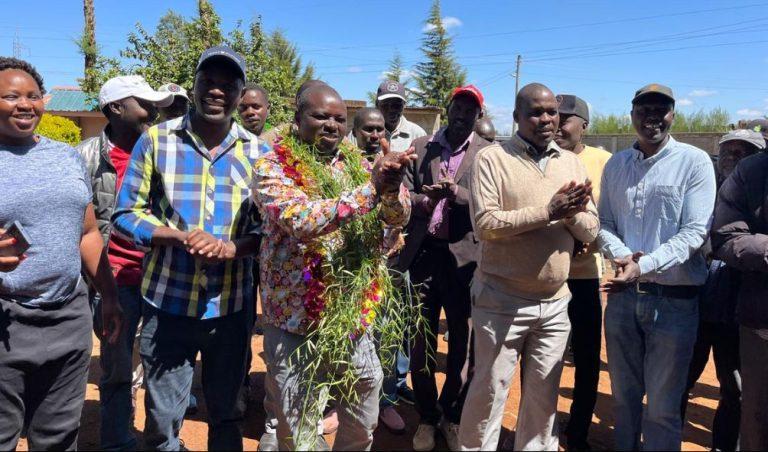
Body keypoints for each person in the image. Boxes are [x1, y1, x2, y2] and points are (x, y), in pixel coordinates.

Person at [111, 46, 264, 451]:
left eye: (227, 85)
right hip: (167, 304)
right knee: (162, 421)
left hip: (230, 308)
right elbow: (125, 213)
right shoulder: (157, 141)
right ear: (193, 85)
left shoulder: (260, 154)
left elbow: (270, 232)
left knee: (227, 414)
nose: (216, 91)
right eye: (207, 82)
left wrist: (232, 248)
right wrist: (177, 237)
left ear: (240, 91)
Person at [252, 83, 414, 450]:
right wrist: (371, 190)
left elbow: (397, 217)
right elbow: (300, 219)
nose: (331, 125)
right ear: (297, 119)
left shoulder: (359, 164)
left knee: (365, 398)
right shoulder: (271, 166)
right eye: (320, 116)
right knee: (299, 426)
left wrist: (391, 189)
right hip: (294, 319)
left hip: (351, 316)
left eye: (339, 119)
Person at [459, 82, 599, 451]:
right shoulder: (492, 159)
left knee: (543, 397)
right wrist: (549, 212)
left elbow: (592, 228)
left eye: (552, 111)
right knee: (489, 391)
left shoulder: (570, 162)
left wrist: (570, 217)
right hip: (501, 299)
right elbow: (486, 225)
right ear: (517, 117)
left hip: (555, 303)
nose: (546, 119)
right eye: (535, 112)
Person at [0, 56, 123, 450]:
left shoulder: (65, 156)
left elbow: (87, 233)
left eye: (33, 95)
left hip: (68, 318)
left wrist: (109, 296)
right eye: (11, 96)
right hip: (6, 321)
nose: (25, 104)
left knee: (58, 436)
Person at [598, 84, 716, 451]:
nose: (652, 117)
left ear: (672, 116)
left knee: (663, 407)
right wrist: (624, 259)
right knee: (624, 399)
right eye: (643, 109)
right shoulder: (616, 165)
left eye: (660, 110)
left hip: (674, 302)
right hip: (622, 299)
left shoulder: (694, 162)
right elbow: (603, 223)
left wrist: (643, 264)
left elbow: (695, 231)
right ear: (632, 115)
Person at [76, 75, 173, 451]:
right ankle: (117, 440)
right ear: (116, 109)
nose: (152, 111)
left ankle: (161, 440)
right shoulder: (84, 157)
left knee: (162, 368)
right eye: (143, 103)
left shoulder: (164, 152)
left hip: (162, 279)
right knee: (117, 368)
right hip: (112, 282)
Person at [398, 85, 489, 451]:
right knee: (420, 342)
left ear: (479, 116)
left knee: (463, 344)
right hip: (423, 257)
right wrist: (424, 200)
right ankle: (426, 417)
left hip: (465, 261)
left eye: (470, 109)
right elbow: (403, 196)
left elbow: (489, 203)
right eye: (457, 106)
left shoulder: (488, 154)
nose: (462, 114)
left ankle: (451, 413)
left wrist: (457, 195)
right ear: (449, 108)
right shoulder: (422, 148)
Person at [554, 94, 612, 451]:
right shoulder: (543, 158)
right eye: (552, 116)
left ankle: (578, 431)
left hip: (586, 276)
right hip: (547, 276)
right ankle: (541, 425)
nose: (557, 124)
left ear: (584, 126)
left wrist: (595, 241)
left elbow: (612, 213)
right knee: (544, 357)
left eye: (565, 118)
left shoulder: (604, 161)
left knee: (588, 360)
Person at [709, 129, 768, 451]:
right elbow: (726, 239)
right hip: (715, 305)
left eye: (741, 151)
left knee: (737, 390)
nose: (732, 158)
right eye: (727, 151)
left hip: (739, 303)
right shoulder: (715, 185)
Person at [376, 80, 427, 152]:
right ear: (377, 105)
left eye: (397, 105)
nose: (391, 109)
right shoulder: (367, 133)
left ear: (404, 105)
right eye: (385, 104)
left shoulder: (418, 134)